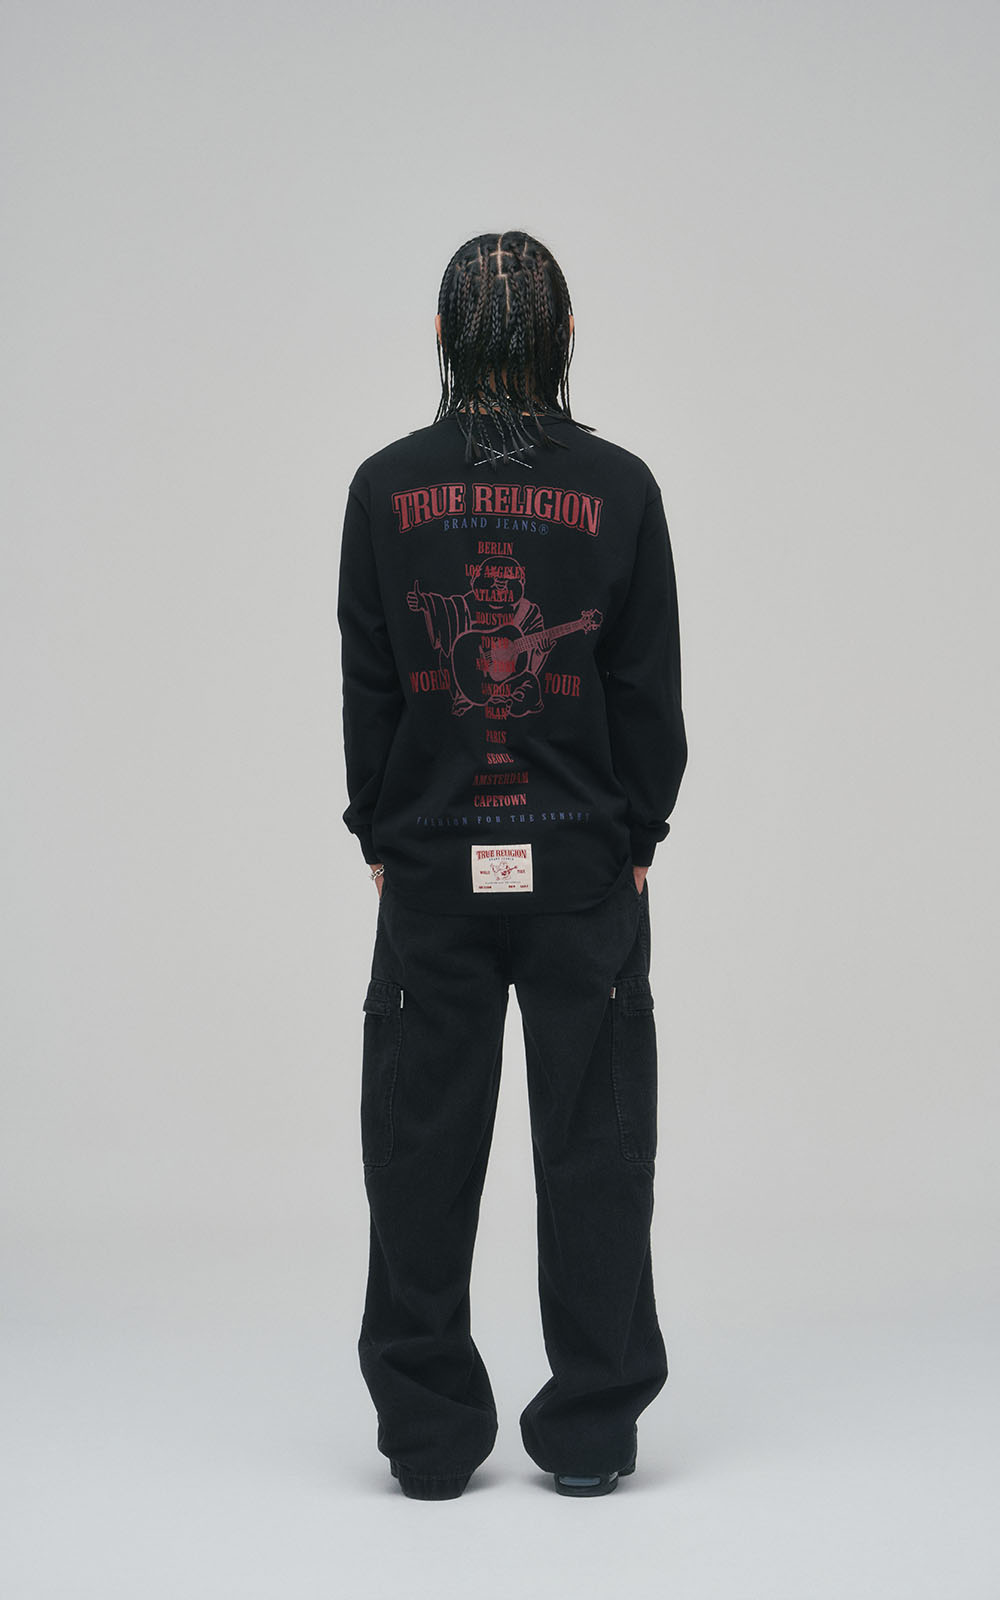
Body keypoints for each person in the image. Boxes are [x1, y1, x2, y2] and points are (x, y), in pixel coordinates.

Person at [337, 231, 688, 1500]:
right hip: (584, 872)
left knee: (417, 1148)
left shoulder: (383, 488)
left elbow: (371, 680)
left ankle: (429, 1440)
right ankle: (590, 1433)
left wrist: (380, 832)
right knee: (597, 1145)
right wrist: (637, 834)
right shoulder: (622, 487)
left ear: (441, 338)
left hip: (432, 870)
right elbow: (645, 687)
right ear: (565, 337)